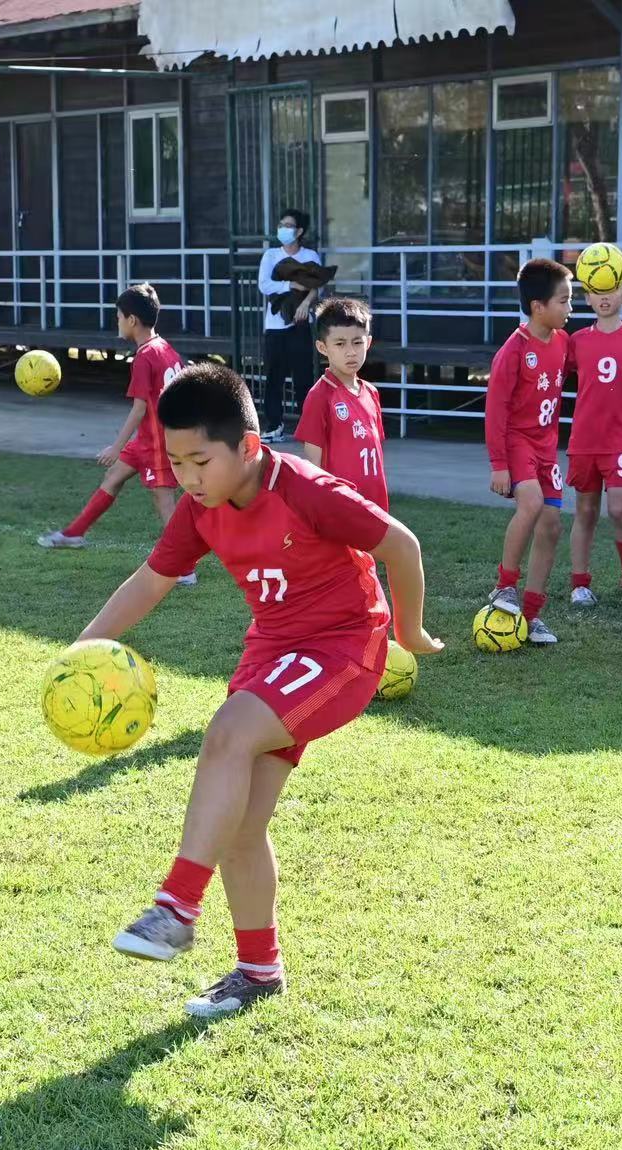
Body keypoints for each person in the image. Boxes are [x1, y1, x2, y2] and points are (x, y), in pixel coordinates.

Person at [80, 363, 441, 1017]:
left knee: (226, 735)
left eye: (199, 461)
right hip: (272, 652)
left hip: (345, 647)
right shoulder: (201, 509)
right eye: (176, 463)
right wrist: (85, 647)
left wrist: (410, 633)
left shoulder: (305, 488)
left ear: (247, 447)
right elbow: (149, 583)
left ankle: (176, 906)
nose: (187, 478)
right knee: (242, 825)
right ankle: (258, 970)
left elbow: (403, 546)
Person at [37, 285, 195, 585]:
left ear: (132, 320)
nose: (117, 322)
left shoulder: (145, 357)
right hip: (148, 439)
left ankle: (185, 568)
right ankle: (74, 533)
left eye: (118, 316)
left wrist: (115, 446)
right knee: (113, 479)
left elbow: (139, 408)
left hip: (158, 441)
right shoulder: (164, 347)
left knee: (164, 501)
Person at [484, 258, 573, 645]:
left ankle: (532, 616)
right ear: (538, 306)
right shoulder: (514, 350)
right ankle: (505, 586)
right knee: (532, 504)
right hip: (518, 443)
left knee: (552, 526)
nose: (570, 309)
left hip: (547, 449)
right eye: (564, 301)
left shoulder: (565, 343)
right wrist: (499, 466)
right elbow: (495, 410)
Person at [565, 272, 622, 611]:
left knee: (619, 508)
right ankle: (579, 583)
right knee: (585, 511)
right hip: (585, 439)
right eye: (596, 292)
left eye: (612, 290)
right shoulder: (576, 340)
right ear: (587, 298)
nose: (604, 297)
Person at [295, 296, 387, 510]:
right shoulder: (320, 395)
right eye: (340, 343)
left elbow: (375, 451)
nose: (351, 351)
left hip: (375, 505)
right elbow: (313, 464)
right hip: (339, 507)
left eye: (357, 342)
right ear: (322, 347)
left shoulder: (371, 393)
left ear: (369, 342)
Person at [257, 208, 322, 443]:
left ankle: (309, 428)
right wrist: (290, 285)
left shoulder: (310, 256)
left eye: (288, 225)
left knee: (303, 376)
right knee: (274, 376)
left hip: (301, 324)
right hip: (275, 325)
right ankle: (274, 425)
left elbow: (315, 286)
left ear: (300, 231)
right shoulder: (271, 255)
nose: (283, 229)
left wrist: (305, 304)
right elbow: (264, 285)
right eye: (281, 224)